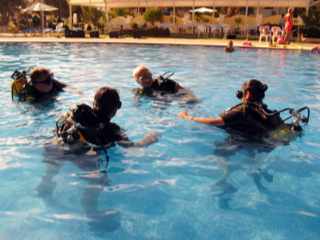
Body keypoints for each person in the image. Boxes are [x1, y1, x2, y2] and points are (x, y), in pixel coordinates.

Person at [38, 87, 161, 229]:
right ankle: (91, 213)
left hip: (53, 149)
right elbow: (130, 146)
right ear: (115, 109)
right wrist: (148, 140)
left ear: (93, 103)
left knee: (57, 154)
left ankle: (45, 183)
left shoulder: (77, 112)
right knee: (97, 179)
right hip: (81, 155)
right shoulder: (111, 128)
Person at [178, 79, 307, 208]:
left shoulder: (244, 110)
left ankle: (224, 183)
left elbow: (213, 122)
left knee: (220, 156)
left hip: (239, 141)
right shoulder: (271, 114)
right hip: (258, 145)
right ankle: (256, 172)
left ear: (248, 94)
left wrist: (187, 117)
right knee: (250, 150)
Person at [132, 65, 201, 105]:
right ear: (138, 81)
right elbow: (136, 104)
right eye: (143, 78)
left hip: (177, 98)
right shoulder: (139, 92)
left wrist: (191, 98)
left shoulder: (165, 83)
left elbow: (186, 91)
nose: (147, 79)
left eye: (148, 75)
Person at [11, 67, 82, 102]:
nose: (51, 82)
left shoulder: (51, 82)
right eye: (48, 80)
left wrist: (78, 92)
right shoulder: (30, 95)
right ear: (39, 85)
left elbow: (65, 86)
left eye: (50, 77)